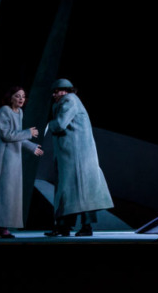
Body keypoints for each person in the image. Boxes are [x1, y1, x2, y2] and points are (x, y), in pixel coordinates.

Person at [45, 78, 113, 237]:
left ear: (66, 91)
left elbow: (60, 124)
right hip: (72, 154)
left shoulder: (70, 100)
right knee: (71, 191)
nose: (54, 94)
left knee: (80, 191)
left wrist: (48, 126)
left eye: (57, 91)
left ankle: (83, 227)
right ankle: (64, 226)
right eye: (54, 92)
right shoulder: (66, 102)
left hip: (77, 155)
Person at [0, 86, 44, 238]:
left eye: (23, 96)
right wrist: (28, 133)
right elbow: (6, 135)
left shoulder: (19, 112)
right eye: (17, 96)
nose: (21, 99)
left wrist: (31, 146)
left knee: (9, 193)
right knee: (2, 191)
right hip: (2, 156)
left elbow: (17, 136)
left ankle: (3, 226)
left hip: (13, 157)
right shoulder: (4, 111)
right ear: (10, 97)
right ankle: (1, 227)